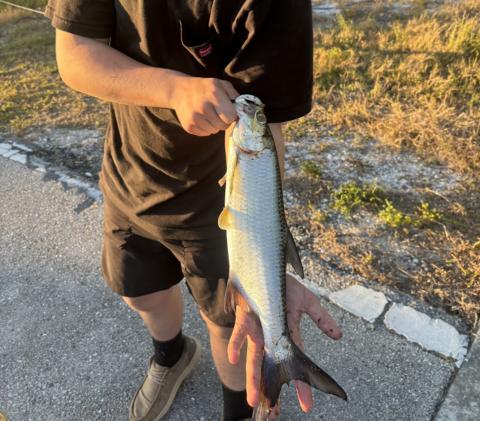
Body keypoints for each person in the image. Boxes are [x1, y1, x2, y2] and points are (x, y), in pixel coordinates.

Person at [45, 1, 343, 420]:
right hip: (131, 176)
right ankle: (172, 355)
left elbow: (264, 122)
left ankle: (240, 411)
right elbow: (75, 52)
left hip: (219, 211)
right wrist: (173, 89)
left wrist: (266, 268)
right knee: (141, 293)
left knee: (229, 324)